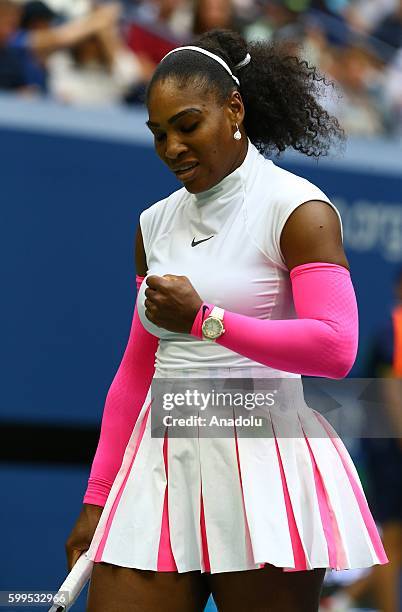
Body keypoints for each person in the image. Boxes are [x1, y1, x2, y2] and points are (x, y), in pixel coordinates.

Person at [66, 29, 388, 612]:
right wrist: (97, 497)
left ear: (233, 109)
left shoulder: (298, 210)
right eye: (158, 134)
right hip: (159, 463)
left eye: (187, 126)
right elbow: (137, 372)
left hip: (266, 464)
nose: (172, 147)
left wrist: (206, 320)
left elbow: (337, 348)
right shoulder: (153, 224)